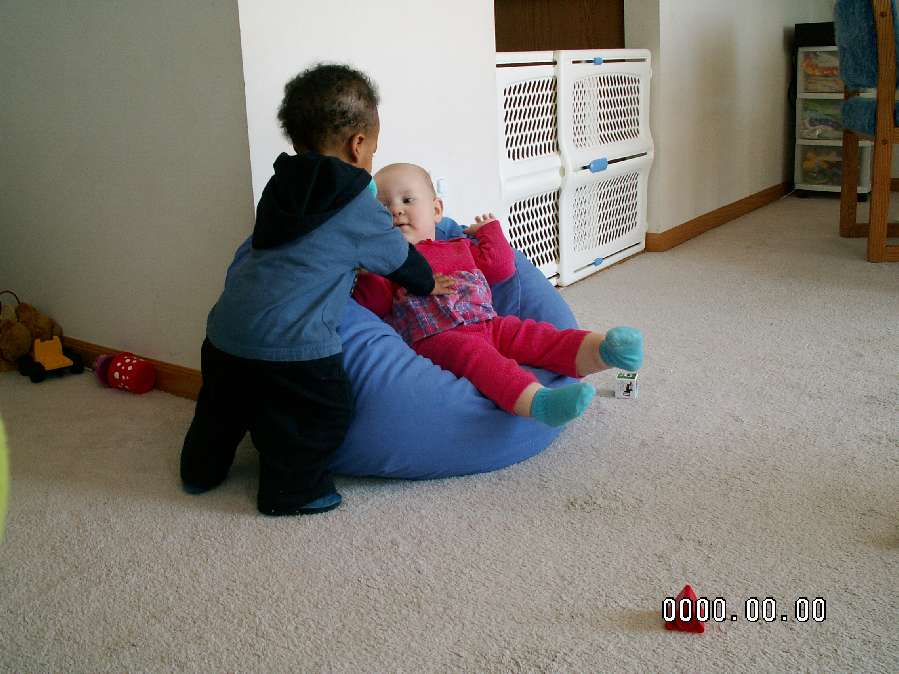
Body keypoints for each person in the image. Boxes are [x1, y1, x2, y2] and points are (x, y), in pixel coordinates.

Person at [180, 66, 452, 517]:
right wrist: (428, 281)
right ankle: (292, 491)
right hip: (293, 346)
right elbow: (396, 256)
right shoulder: (356, 205)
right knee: (322, 414)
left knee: (220, 410)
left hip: (225, 332)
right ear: (357, 144)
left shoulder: (279, 186)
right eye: (374, 151)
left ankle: (199, 470)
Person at [353, 163, 644, 427]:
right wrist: (365, 268)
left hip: (490, 323)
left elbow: (502, 267)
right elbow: (373, 303)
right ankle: (539, 403)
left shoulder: (459, 245)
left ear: (437, 210)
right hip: (440, 338)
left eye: (407, 200)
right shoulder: (392, 264)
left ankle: (604, 351)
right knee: (483, 361)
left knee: (538, 336)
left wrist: (489, 230)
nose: (396, 211)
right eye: (384, 207)